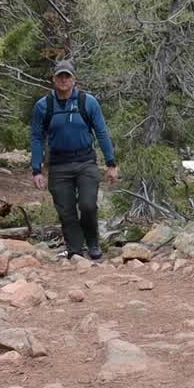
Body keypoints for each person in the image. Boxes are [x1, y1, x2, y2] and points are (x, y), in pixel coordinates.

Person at [30, 60, 119, 260]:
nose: (63, 80)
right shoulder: (44, 106)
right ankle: (75, 249)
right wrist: (36, 170)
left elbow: (102, 133)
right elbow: (37, 137)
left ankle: (93, 243)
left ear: (74, 79)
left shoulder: (87, 102)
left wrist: (111, 163)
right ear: (53, 79)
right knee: (66, 210)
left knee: (88, 205)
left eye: (67, 76)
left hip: (85, 162)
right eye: (60, 76)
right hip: (59, 165)